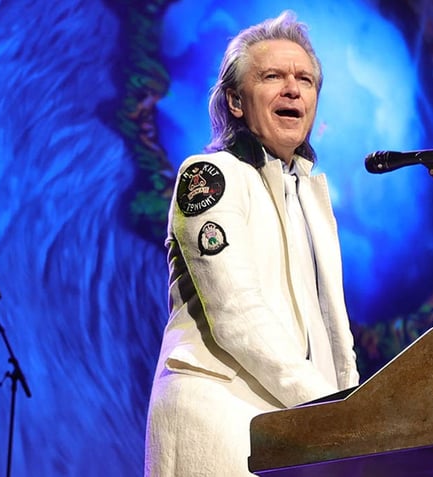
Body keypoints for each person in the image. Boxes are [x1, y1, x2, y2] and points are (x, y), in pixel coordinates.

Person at [144, 10, 360, 477]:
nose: (292, 89)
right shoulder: (209, 176)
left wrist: (357, 416)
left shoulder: (311, 198)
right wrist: (333, 409)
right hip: (218, 415)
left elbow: (333, 332)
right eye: (272, 76)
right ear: (236, 101)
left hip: (294, 427)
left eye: (304, 79)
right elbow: (236, 313)